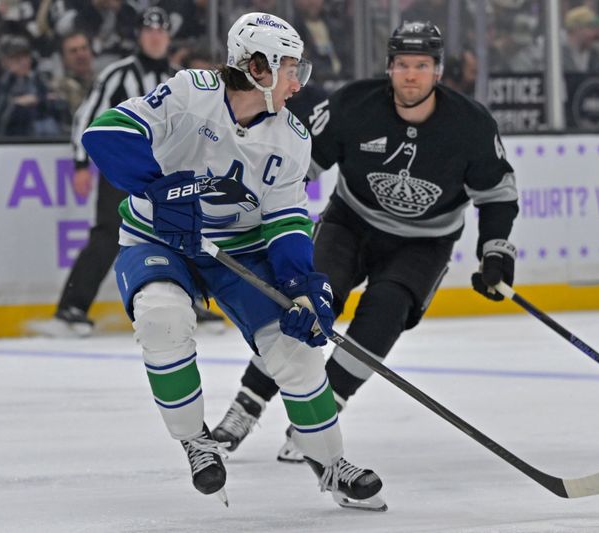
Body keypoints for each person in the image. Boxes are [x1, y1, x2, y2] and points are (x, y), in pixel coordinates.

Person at [77, 11, 386, 510]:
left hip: (238, 250)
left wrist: (304, 283)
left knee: (296, 353)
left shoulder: (292, 136)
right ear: (258, 67)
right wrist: (161, 191)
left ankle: (331, 465)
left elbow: (286, 222)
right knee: (161, 318)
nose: (297, 83)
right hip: (159, 239)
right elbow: (106, 133)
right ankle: (196, 441)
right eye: (290, 69)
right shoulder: (189, 92)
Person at [212, 21, 519, 463]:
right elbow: (301, 164)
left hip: (423, 242)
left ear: (438, 71)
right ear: (390, 68)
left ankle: (317, 415)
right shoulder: (355, 105)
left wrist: (496, 250)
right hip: (349, 223)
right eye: (402, 65)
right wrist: (259, 214)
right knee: (309, 301)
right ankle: (246, 405)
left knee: (386, 311)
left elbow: (497, 194)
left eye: (422, 65)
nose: (411, 75)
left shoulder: (470, 124)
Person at [28, 7, 223, 336]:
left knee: (181, 234)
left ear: (169, 37)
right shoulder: (118, 74)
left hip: (168, 172)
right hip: (123, 169)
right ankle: (71, 308)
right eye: (149, 32)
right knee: (108, 233)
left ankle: (189, 305)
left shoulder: (181, 78)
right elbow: (87, 117)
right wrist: (80, 163)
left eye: (161, 32)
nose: (156, 38)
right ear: (139, 36)